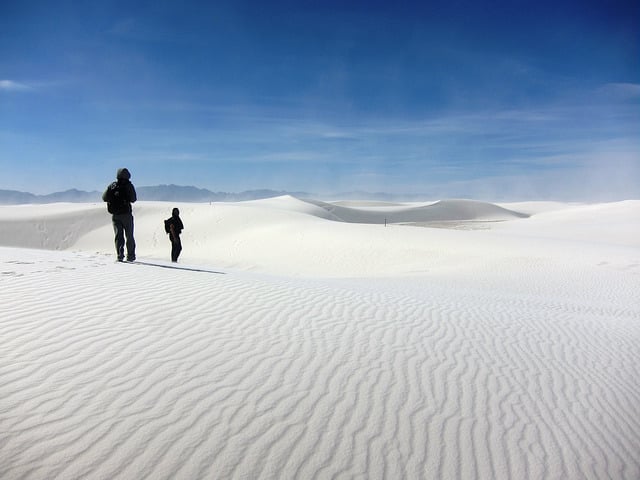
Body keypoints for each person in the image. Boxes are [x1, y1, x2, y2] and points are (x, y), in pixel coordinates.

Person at [102, 168, 137, 262]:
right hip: (126, 214)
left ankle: (120, 255)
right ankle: (130, 256)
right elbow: (133, 199)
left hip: (115, 215)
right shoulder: (129, 186)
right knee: (129, 235)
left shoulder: (113, 185)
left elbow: (104, 197)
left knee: (118, 236)